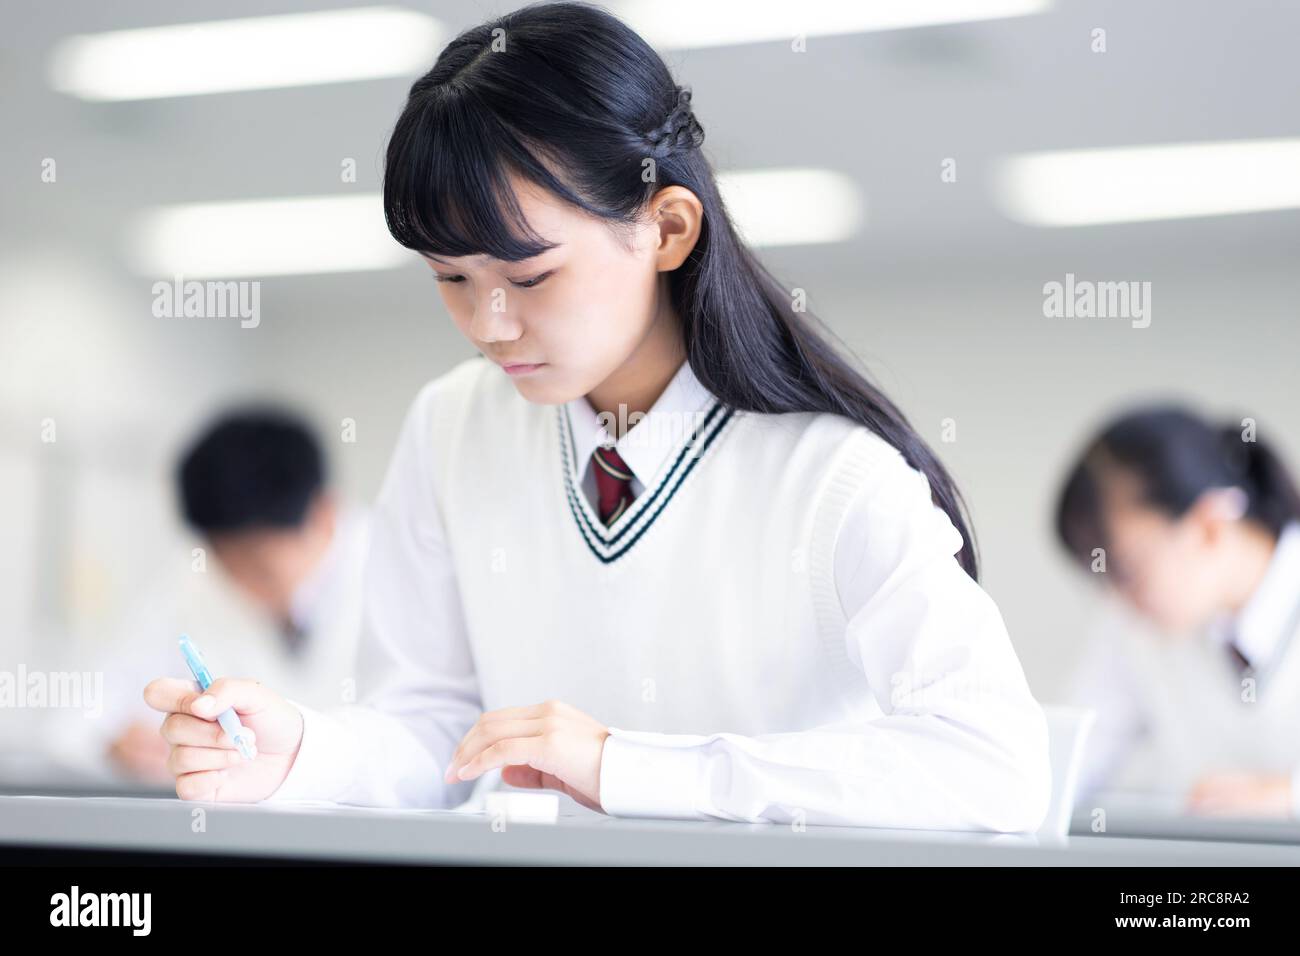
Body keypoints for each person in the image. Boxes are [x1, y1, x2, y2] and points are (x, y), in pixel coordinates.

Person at [144, 1, 1050, 831]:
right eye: (451, 279)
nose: (488, 326)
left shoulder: (833, 476)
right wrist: (302, 750)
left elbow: (995, 764)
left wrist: (628, 768)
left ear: (667, 229)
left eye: (530, 277)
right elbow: (436, 734)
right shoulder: (452, 426)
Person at [85, 408, 369, 784]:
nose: (243, 585)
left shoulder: (404, 567)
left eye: (261, 568)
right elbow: (90, 715)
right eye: (227, 564)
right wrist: (118, 746)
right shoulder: (192, 580)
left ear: (323, 514)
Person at [1055, 405, 1300, 817]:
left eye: (1128, 571)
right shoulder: (1136, 627)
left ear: (1208, 527)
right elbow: (1067, 765)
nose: (1117, 599)